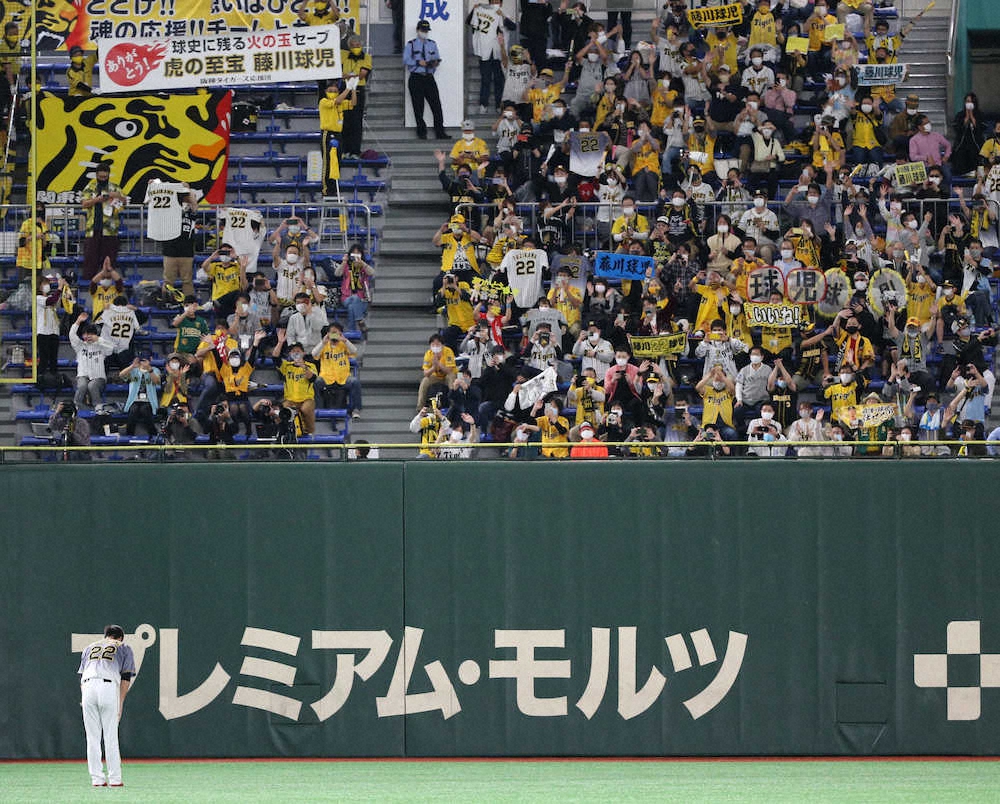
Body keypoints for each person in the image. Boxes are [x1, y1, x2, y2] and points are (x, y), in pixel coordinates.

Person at [78, 624, 134, 788]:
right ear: (120, 638)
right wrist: (120, 702)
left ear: (106, 636)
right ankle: (115, 779)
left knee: (92, 737)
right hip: (108, 687)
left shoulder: (89, 648)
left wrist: (85, 695)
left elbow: (82, 675)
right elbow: (125, 678)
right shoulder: (124, 647)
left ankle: (97, 779)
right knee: (110, 736)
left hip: (87, 687)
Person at [79, 163, 125, 281]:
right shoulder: (90, 187)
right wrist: (97, 199)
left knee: (109, 258)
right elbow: (84, 203)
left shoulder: (115, 187)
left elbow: (124, 202)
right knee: (90, 257)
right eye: (101, 177)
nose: (103, 179)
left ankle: (109, 281)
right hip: (92, 228)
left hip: (110, 229)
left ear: (109, 175)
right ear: (96, 175)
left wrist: (116, 196)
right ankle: (89, 282)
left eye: (105, 177)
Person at [404, 19, 448, 140]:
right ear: (418, 30)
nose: (425, 32)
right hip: (416, 78)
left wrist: (434, 63)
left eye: (426, 31)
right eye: (423, 30)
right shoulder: (411, 44)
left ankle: (440, 132)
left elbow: (436, 57)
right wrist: (419, 62)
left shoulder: (432, 44)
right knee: (418, 107)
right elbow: (406, 60)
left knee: (436, 105)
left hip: (428, 77)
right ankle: (421, 132)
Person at [313, 323, 362, 419]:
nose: (334, 335)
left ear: (340, 333)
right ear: (328, 333)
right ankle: (319, 410)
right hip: (326, 378)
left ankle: (355, 410)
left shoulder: (344, 344)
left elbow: (354, 351)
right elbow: (314, 354)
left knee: (355, 382)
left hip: (343, 378)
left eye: (336, 333)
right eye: (332, 332)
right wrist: (323, 342)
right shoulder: (324, 345)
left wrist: (345, 340)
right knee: (316, 382)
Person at [318, 79, 357, 197]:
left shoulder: (340, 103)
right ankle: (326, 188)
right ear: (326, 91)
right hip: (327, 134)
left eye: (335, 90)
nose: (333, 92)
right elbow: (337, 100)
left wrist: (354, 90)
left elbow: (353, 104)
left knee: (337, 162)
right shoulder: (324, 101)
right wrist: (348, 89)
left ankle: (334, 187)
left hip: (339, 134)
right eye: (330, 90)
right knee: (328, 162)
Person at [340, 35, 372, 160]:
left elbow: (363, 74)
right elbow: (339, 72)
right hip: (345, 90)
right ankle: (345, 150)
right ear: (349, 46)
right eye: (353, 45)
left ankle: (355, 151)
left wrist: (349, 75)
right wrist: (347, 75)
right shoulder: (344, 55)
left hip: (358, 89)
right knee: (345, 120)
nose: (355, 48)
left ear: (361, 46)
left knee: (356, 121)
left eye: (357, 45)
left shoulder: (367, 57)